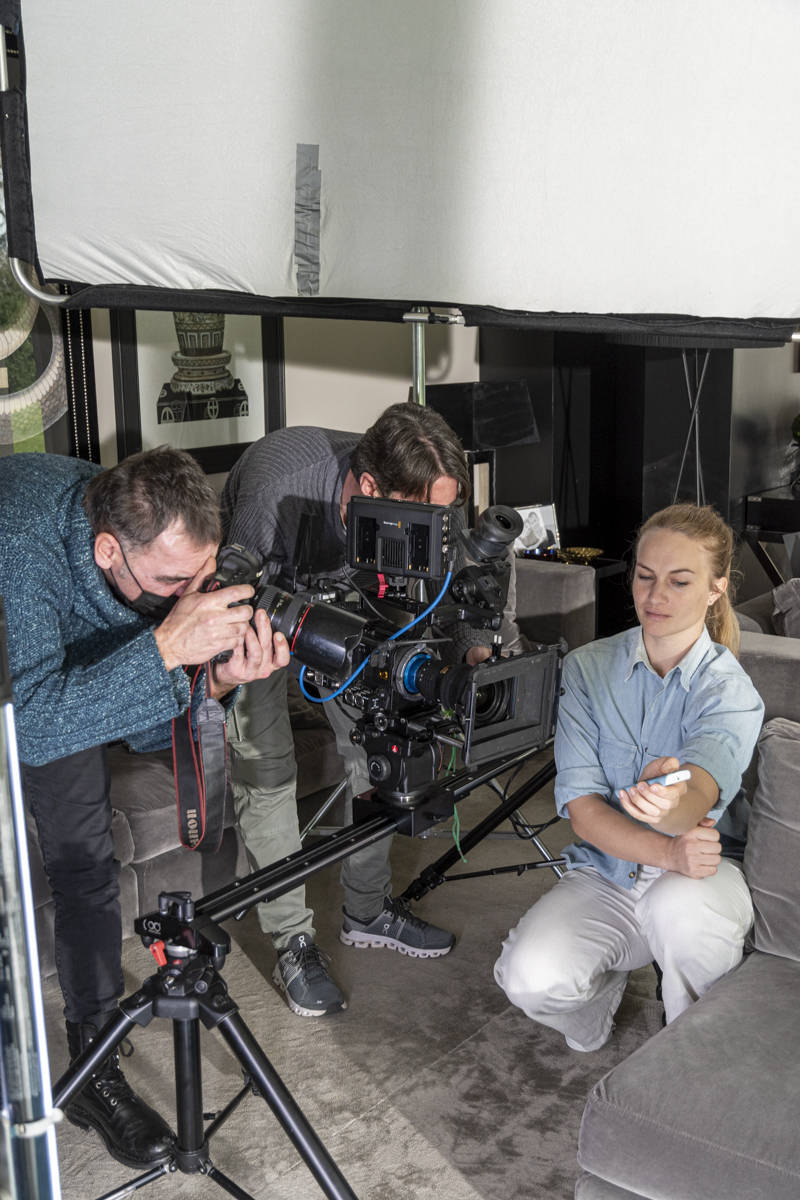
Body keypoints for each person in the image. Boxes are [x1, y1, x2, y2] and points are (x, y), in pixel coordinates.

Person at [0, 447, 289, 1169]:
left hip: (55, 674)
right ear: (108, 550)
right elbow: (32, 728)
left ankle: (93, 1068)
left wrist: (215, 680)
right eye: (173, 583)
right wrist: (164, 646)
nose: (191, 596)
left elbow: (140, 724)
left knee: (85, 865)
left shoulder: (147, 566)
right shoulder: (23, 542)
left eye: (202, 574)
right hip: (17, 653)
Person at [222, 401, 523, 1018]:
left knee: (381, 746)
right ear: (368, 487)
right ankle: (292, 940)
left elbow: (479, 569)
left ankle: (367, 911)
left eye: (446, 512)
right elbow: (228, 593)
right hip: (259, 609)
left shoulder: (428, 486)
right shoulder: (281, 479)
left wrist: (477, 644)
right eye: (427, 516)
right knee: (268, 769)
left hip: (354, 605)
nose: (441, 523)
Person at [493, 503, 764, 1051]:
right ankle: (597, 1004)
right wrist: (664, 849)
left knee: (679, 911)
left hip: (702, 875)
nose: (655, 596)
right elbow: (584, 810)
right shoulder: (587, 668)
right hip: (610, 870)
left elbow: (699, 794)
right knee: (529, 978)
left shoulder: (728, 689)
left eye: (679, 581)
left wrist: (673, 802)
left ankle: (690, 1053)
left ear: (715, 589)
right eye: (645, 576)